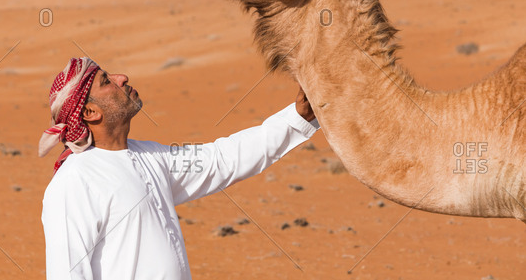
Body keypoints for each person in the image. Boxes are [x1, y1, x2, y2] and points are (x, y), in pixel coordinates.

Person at [40, 57, 319, 279]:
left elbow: (222, 159)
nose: (121, 77)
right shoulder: (74, 181)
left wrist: (297, 118)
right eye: (106, 81)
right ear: (90, 113)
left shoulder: (151, 156)